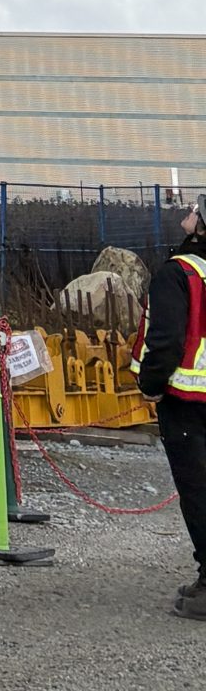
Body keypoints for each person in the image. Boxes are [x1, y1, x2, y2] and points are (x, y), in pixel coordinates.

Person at [135, 196, 206, 618]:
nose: (190, 213)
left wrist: (151, 386)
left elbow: (165, 341)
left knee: (198, 493)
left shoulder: (178, 274)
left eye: (197, 210)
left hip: (187, 402)